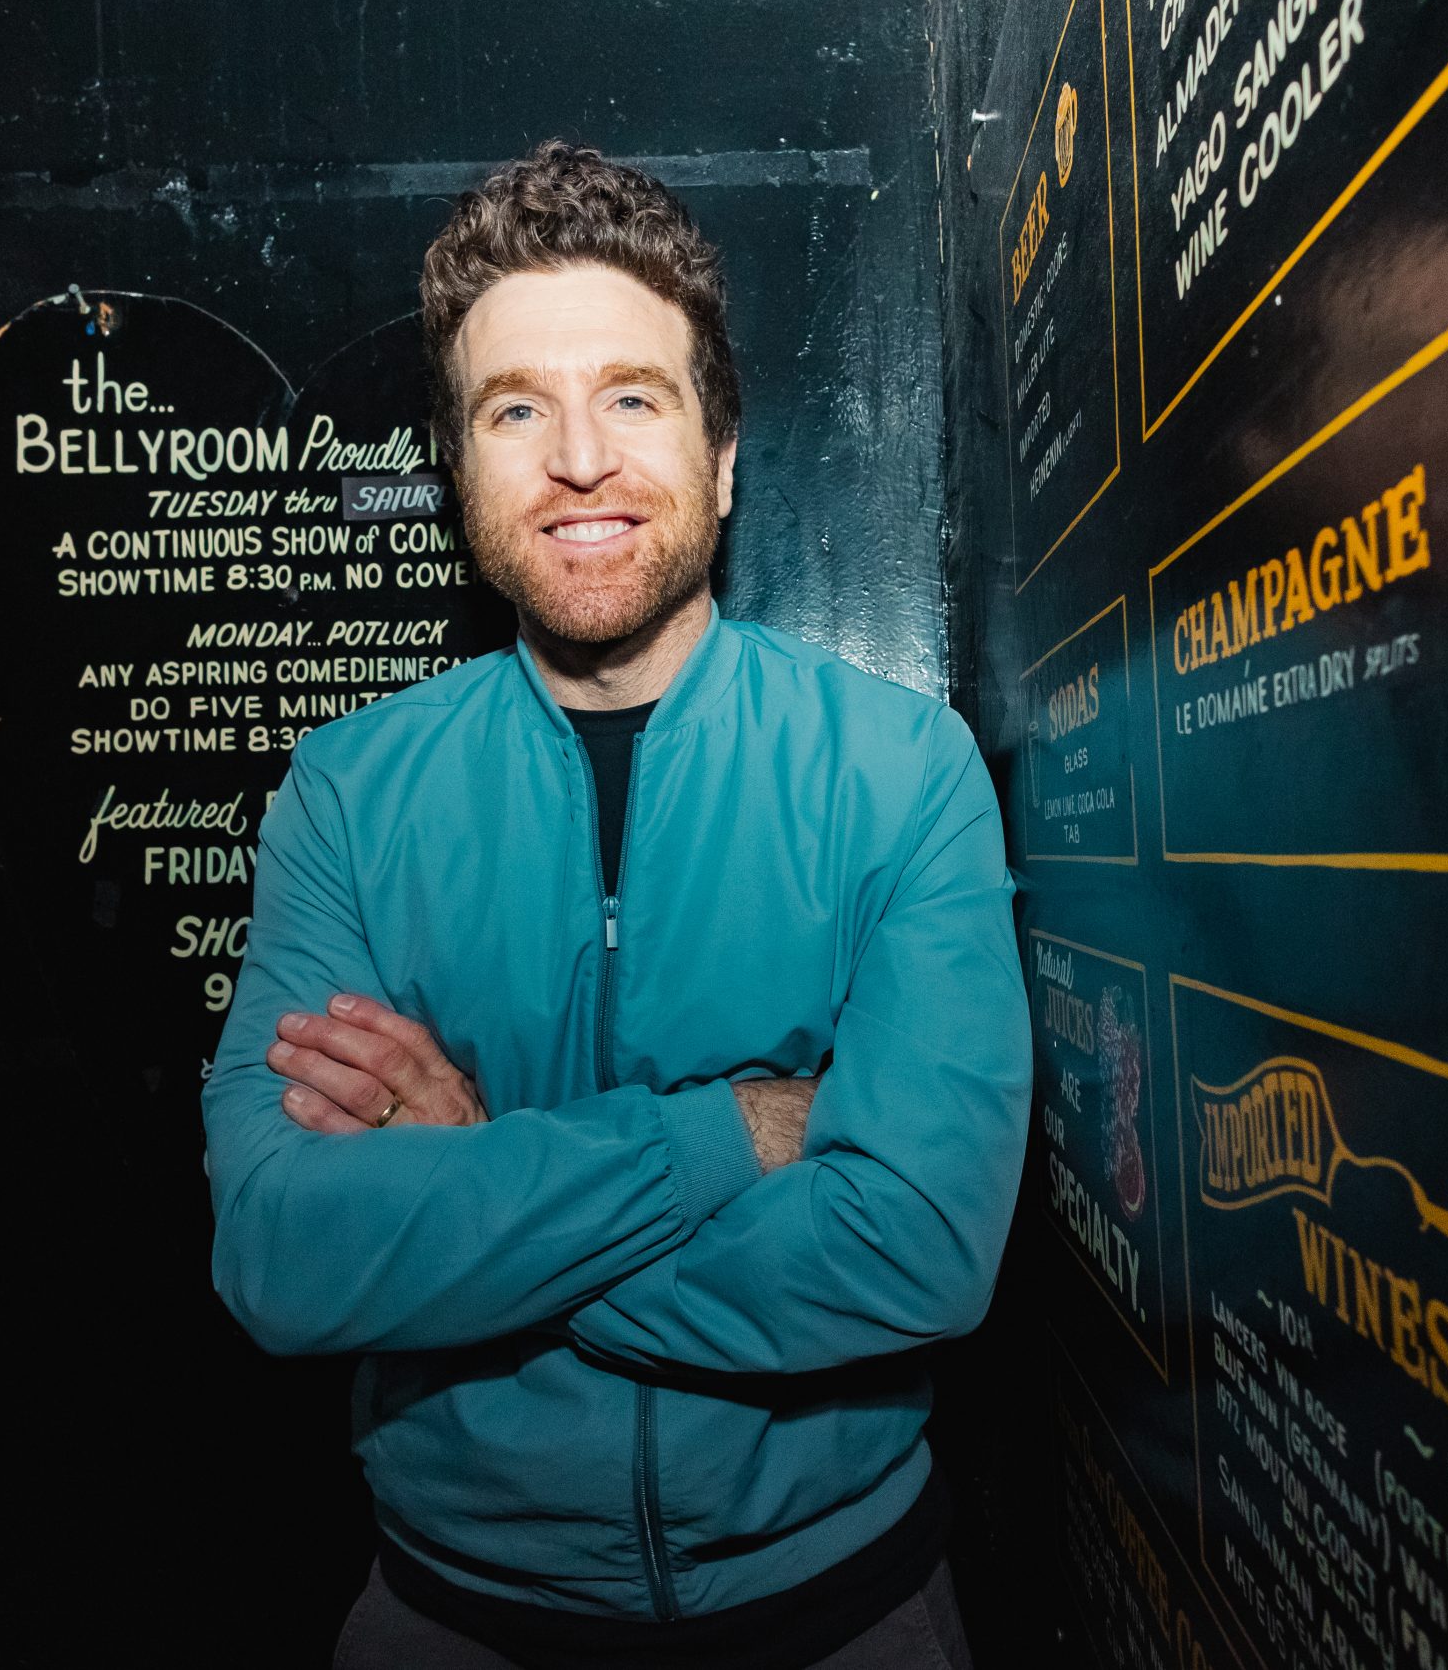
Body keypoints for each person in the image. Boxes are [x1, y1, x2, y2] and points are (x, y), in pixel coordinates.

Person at [200, 141, 1029, 1670]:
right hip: (450, 1620)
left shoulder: (900, 771)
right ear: (462, 469)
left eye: (633, 398)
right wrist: (742, 1134)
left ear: (722, 455)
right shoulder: (349, 793)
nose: (579, 459)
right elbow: (282, 1253)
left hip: (848, 1617)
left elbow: (918, 1246)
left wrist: (474, 1184)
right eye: (518, 409)